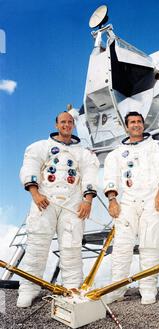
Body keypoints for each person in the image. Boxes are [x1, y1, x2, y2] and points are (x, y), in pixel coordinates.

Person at [17, 112, 99, 308]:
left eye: (70, 122)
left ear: (73, 125)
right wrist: (35, 194)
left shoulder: (84, 153)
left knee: (71, 247)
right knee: (37, 245)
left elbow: (90, 175)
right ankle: (28, 289)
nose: (67, 125)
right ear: (56, 124)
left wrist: (87, 201)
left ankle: (72, 289)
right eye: (63, 122)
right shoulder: (40, 147)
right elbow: (30, 168)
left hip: (72, 204)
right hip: (45, 201)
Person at [103, 111, 159, 305]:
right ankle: (116, 289)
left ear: (143, 125)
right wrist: (112, 200)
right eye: (132, 122)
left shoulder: (158, 146)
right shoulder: (116, 153)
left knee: (150, 245)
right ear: (127, 127)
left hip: (152, 200)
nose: (135, 125)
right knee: (121, 247)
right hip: (127, 202)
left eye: (138, 122)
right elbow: (111, 177)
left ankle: (148, 289)